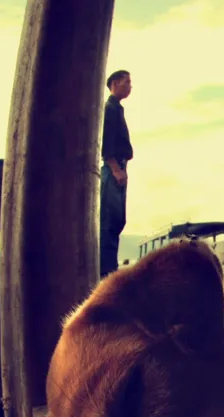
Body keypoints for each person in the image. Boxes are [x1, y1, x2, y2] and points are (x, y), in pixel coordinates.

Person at [100, 69, 134, 276]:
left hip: (120, 167)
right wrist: (115, 169)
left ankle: (109, 268)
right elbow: (106, 144)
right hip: (114, 168)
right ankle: (106, 272)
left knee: (118, 220)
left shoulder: (117, 109)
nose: (130, 86)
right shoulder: (110, 109)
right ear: (114, 83)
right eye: (127, 82)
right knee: (109, 222)